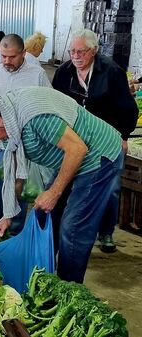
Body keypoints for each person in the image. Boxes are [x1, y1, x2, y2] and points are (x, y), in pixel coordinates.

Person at [0, 86, 125, 283]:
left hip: (97, 157)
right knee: (43, 215)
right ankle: (43, 278)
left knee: (73, 228)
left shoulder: (35, 117)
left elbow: (77, 148)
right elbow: (17, 173)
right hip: (71, 159)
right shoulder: (10, 126)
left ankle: (67, 289)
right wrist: (9, 215)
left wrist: (54, 192)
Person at [51, 29, 137, 253]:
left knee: (110, 187)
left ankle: (106, 232)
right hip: (75, 139)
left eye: (82, 51)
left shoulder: (111, 72)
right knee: (68, 182)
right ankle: (60, 231)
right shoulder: (63, 72)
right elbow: (55, 105)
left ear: (94, 51)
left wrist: (123, 137)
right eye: (72, 51)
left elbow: (128, 109)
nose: (76, 56)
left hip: (106, 139)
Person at [0, 34, 52, 232]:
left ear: (23, 53)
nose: (6, 61)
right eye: (3, 56)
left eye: (11, 57)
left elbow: (47, 106)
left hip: (24, 147)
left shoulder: (37, 74)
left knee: (18, 191)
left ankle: (14, 232)